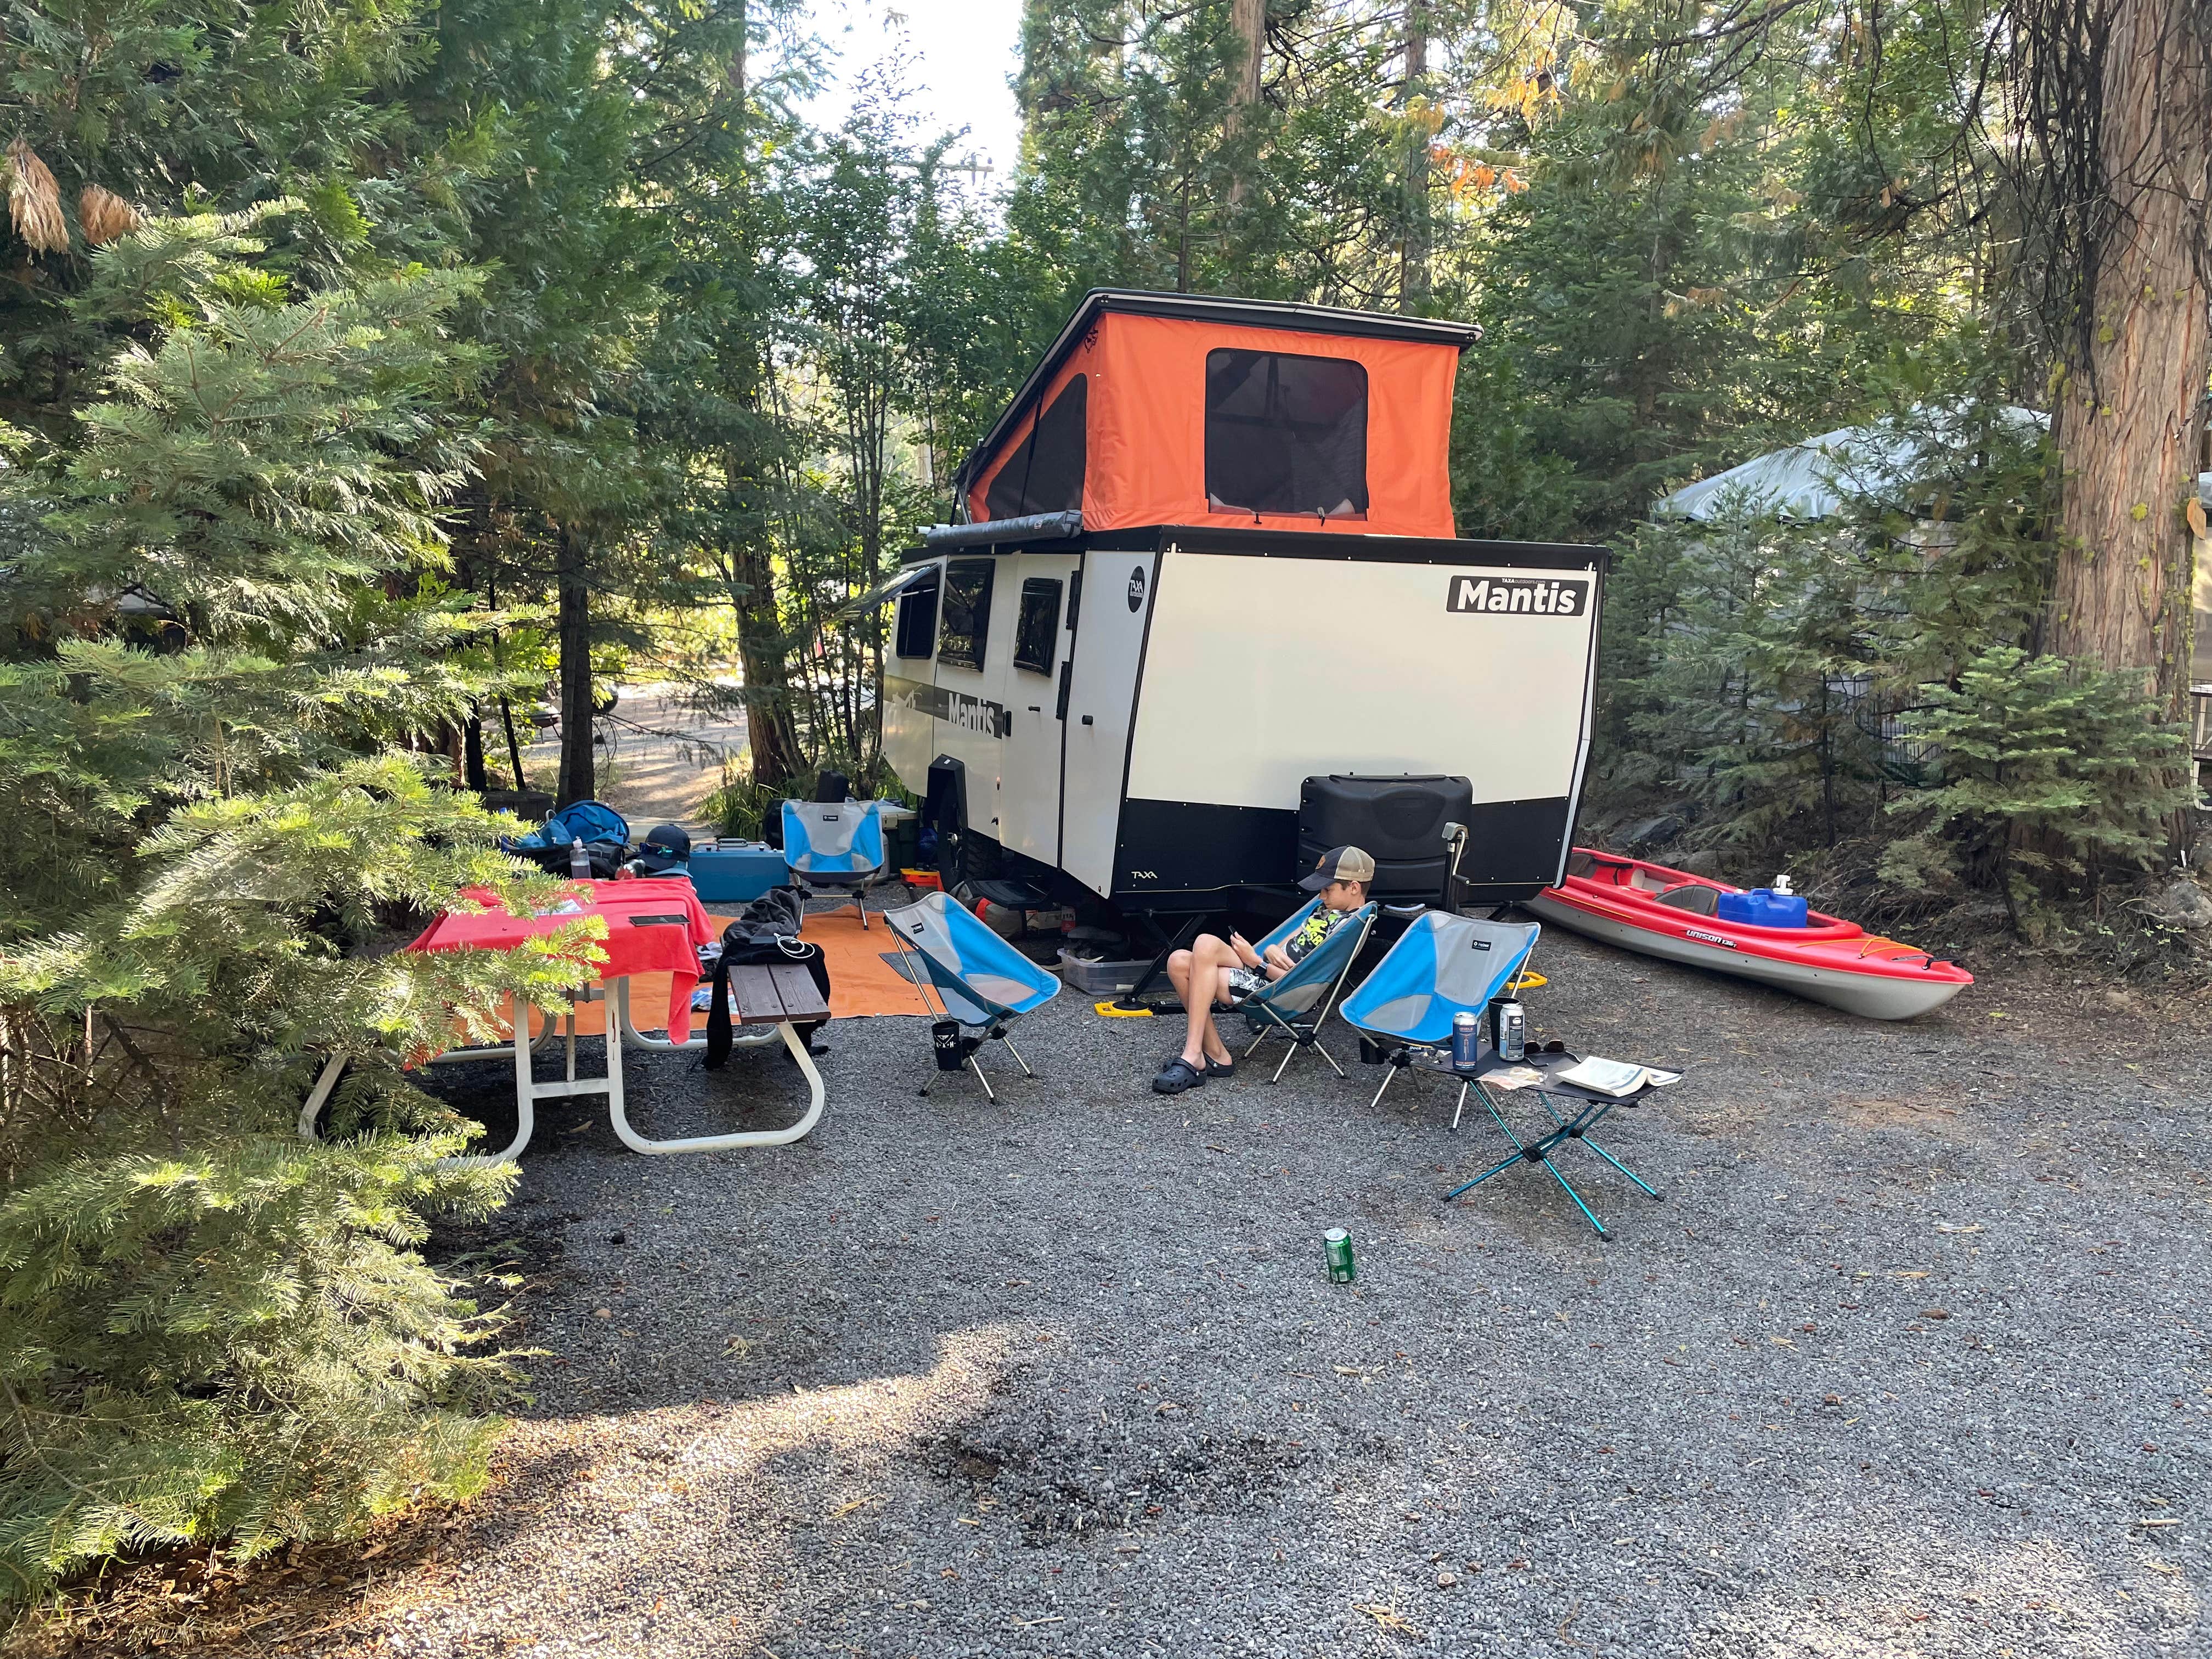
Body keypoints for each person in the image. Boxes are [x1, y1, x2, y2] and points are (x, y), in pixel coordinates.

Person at [1152, 845, 1374, 1094]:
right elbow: (1281, 946)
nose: (1321, 896)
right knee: (1181, 958)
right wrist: (1267, 952)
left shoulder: (1346, 928)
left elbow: (1298, 980)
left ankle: (1194, 1053)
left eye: (1327, 889)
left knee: (1189, 963)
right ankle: (1214, 1053)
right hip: (1263, 971)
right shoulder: (1324, 911)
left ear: (1354, 887)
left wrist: (1257, 962)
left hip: (1278, 990)